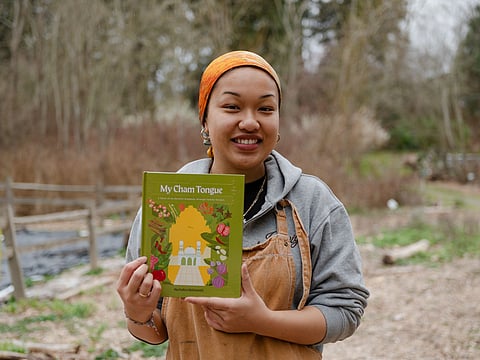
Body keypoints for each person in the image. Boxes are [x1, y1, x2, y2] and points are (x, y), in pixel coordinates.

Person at [116, 50, 369, 359]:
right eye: (232, 107)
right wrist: (137, 312)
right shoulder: (165, 206)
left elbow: (345, 310)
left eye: (265, 108)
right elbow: (154, 333)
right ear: (205, 120)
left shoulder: (313, 202)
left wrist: (263, 321)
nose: (249, 122)